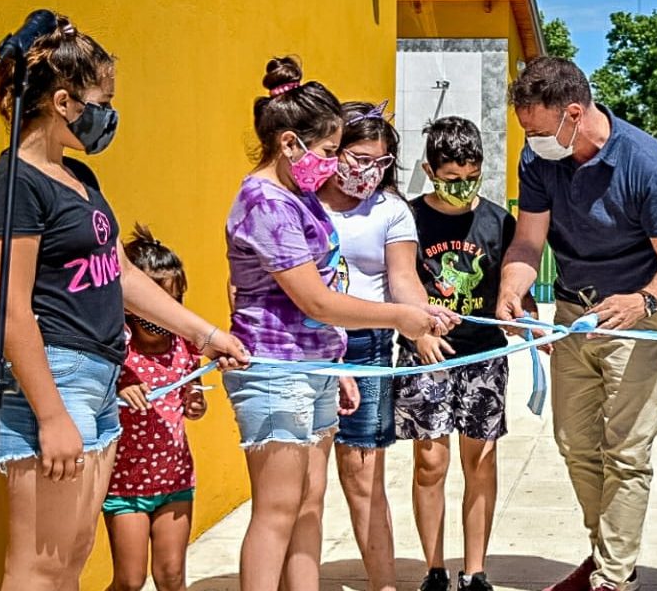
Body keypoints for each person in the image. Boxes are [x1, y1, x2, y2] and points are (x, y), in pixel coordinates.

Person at [0, 12, 248, 591]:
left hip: (96, 380)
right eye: (105, 99)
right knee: (38, 567)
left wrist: (206, 335)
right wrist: (50, 417)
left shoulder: (78, 179)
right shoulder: (14, 185)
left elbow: (119, 274)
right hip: (56, 380)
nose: (111, 114)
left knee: (71, 555)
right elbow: (11, 309)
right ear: (66, 101)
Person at [222, 57, 458, 591]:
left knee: (307, 505)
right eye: (330, 152)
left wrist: (335, 362)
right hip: (275, 369)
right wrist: (405, 318)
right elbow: (318, 302)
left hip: (314, 365)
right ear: (289, 144)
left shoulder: (297, 199)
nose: (331, 166)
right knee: (277, 510)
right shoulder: (265, 203)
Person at [495, 57, 657, 591]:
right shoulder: (539, 159)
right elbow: (528, 241)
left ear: (574, 114)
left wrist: (643, 303)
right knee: (575, 442)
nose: (531, 140)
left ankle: (611, 577)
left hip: (636, 317)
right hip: (572, 315)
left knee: (626, 450)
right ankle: (610, 555)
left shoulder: (646, 163)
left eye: (538, 130)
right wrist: (513, 289)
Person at [395, 116, 530, 591]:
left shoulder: (497, 220)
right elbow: (398, 286)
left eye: (471, 177)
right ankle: (434, 568)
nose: (463, 187)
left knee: (482, 462)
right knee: (430, 463)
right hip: (425, 355)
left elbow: (514, 288)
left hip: (483, 357)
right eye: (452, 178)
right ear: (431, 170)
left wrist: (522, 315)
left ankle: (475, 571)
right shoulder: (407, 218)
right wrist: (419, 335)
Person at [318, 100, 428, 591]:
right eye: (359, 157)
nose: (369, 171)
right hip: (306, 345)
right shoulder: (299, 200)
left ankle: (383, 584)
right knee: (301, 484)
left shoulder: (391, 211)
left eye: (381, 162)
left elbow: (402, 279)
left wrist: (419, 322)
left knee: (364, 479)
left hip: (366, 347)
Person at [104, 226, 207, 591]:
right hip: (125, 485)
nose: (164, 315)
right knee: (130, 581)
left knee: (171, 576)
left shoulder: (183, 346)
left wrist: (196, 402)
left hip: (175, 479)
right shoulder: (118, 350)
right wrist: (121, 386)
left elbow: (193, 394)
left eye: (174, 303)